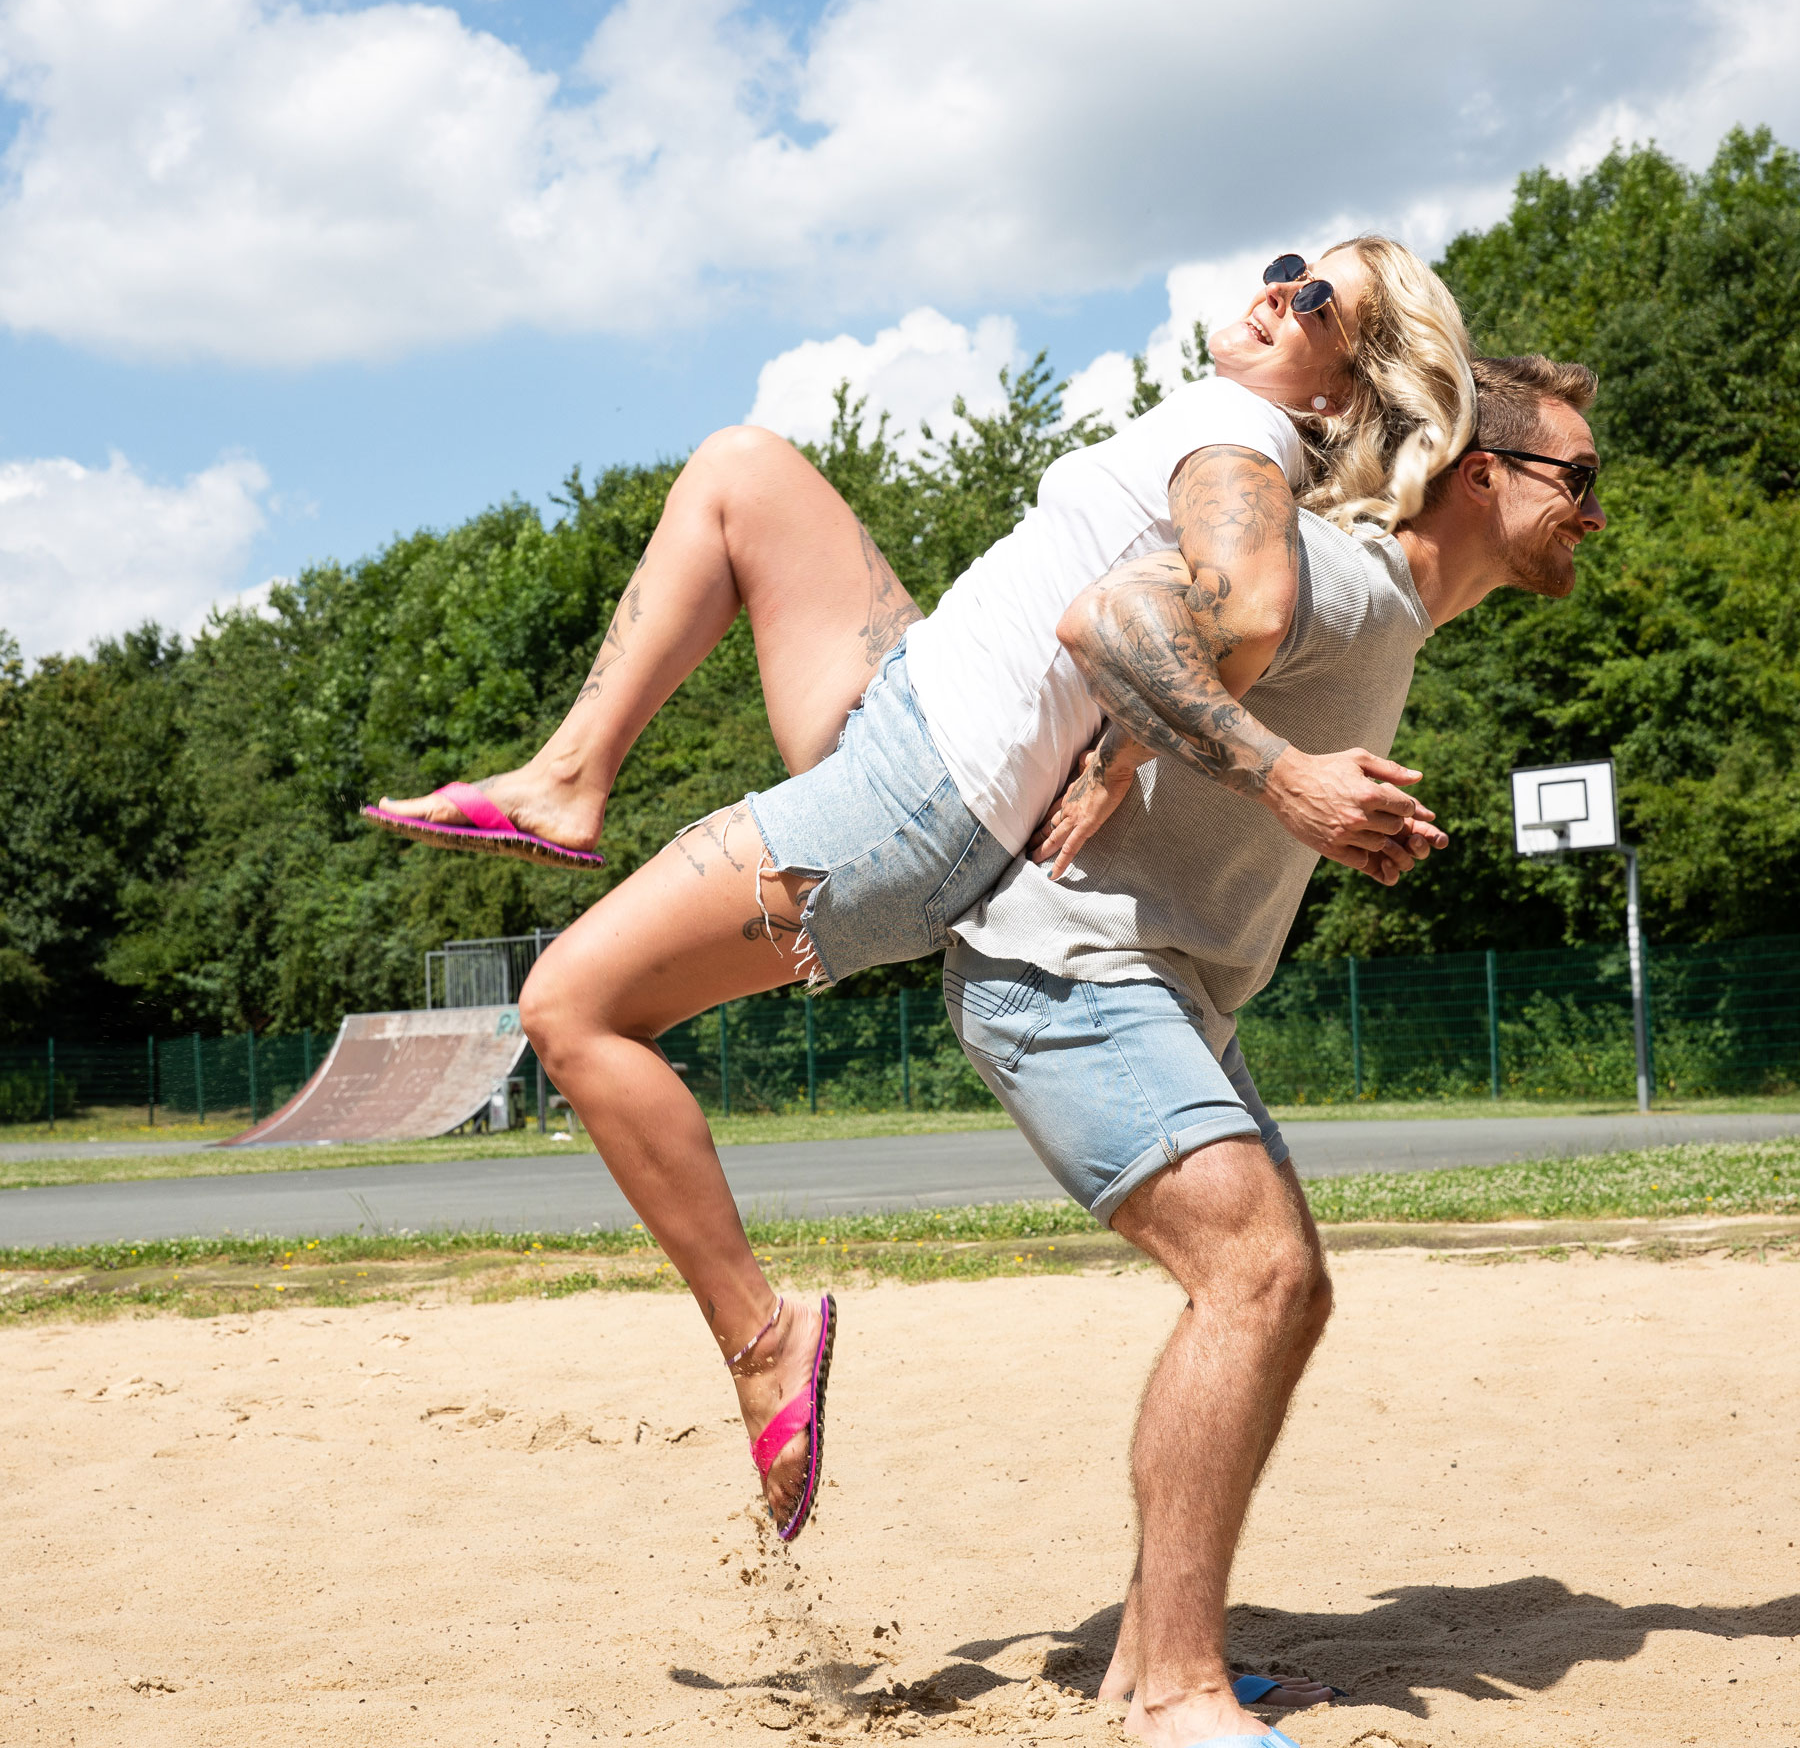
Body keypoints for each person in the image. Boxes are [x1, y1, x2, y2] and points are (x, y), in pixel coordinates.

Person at [366, 239, 1474, 1546]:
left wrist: (1249, 767)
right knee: (740, 471)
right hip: (912, 694)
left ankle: (764, 1342)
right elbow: (1193, 623)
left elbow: (1246, 609)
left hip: (922, 799)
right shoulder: (1229, 438)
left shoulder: (1243, 446)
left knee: (568, 1010)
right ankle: (568, 778)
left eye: (1315, 300)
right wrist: (1126, 738)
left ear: (1344, 392)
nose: (1276, 293)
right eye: (1287, 267)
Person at [941, 354, 1605, 1748]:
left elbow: (1180, 656)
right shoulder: (1346, 573)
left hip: (1162, 986)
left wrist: (1177, 759)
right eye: (1577, 481)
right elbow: (1113, 611)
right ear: (1480, 472)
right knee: (1257, 1273)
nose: (1592, 512)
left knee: (1285, 1296)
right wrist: (1284, 777)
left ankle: (1145, 1662)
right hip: (1066, 969)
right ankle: (1178, 1693)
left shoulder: (1390, 618)